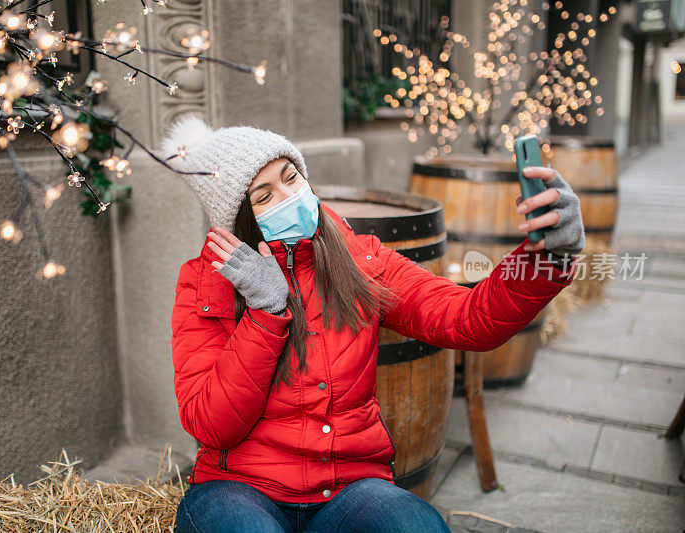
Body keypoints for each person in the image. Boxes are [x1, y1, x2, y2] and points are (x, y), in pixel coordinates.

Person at [161, 113, 585, 532]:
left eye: (291, 178)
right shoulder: (204, 284)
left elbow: (468, 318)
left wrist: (549, 257)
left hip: (349, 490)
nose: (288, 197)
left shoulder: (360, 259)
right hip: (239, 490)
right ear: (239, 220)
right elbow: (210, 422)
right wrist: (265, 313)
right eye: (264, 196)